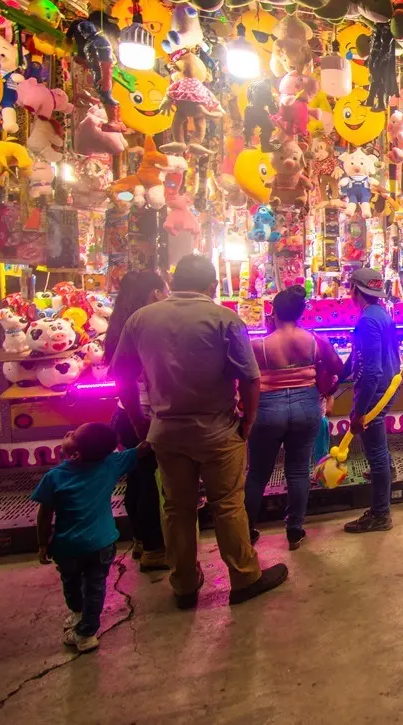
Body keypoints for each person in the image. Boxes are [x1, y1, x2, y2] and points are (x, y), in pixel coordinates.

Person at [112, 255, 286, 609]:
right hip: (218, 430)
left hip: (166, 432)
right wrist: (248, 420)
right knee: (227, 505)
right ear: (212, 286)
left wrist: (138, 421)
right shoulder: (224, 318)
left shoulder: (140, 320)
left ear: (173, 283)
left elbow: (122, 377)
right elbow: (250, 377)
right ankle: (244, 577)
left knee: (176, 509)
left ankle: (184, 584)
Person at [32, 423, 150, 653]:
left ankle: (79, 619)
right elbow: (143, 448)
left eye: (73, 435)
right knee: (95, 587)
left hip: (67, 547)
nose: (68, 433)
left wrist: (41, 543)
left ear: (75, 453)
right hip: (102, 544)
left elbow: (44, 516)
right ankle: (86, 630)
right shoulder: (111, 464)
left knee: (71, 583)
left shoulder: (54, 477)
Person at [244, 288, 344, 550]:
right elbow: (338, 369)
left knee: (257, 474)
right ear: (301, 313)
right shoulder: (314, 341)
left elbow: (244, 380)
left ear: (273, 312)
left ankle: (246, 531)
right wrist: (327, 392)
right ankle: (295, 531)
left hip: (268, 409)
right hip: (306, 406)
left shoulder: (258, 346)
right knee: (299, 470)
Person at [104, 270, 168, 573]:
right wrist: (140, 420)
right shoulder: (148, 326)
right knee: (151, 483)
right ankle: (155, 549)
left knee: (137, 480)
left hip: (127, 414)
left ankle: (142, 541)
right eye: (165, 289)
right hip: (143, 415)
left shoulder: (120, 325)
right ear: (155, 293)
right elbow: (126, 380)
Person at [342, 267, 403, 532]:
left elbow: (371, 371)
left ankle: (380, 514)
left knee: (375, 453)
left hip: (375, 392)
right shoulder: (379, 314)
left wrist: (358, 412)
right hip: (387, 386)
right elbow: (358, 356)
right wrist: (339, 376)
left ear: (356, 290)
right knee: (380, 450)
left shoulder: (367, 321)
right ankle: (387, 473)